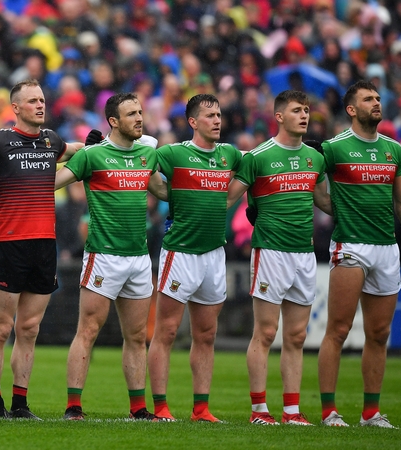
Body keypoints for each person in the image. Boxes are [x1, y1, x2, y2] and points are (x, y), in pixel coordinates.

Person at [0, 79, 83, 419]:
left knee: (29, 329)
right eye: (32, 101)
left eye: (42, 99)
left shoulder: (51, 140)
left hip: (44, 245)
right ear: (16, 108)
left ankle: (20, 404)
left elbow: (75, 150)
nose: (40, 105)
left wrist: (96, 144)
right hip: (10, 243)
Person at [59, 93, 166, 421]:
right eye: (131, 113)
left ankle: (138, 409)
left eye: (140, 111)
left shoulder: (148, 154)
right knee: (87, 330)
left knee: (136, 336)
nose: (139, 118)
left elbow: (162, 191)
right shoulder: (92, 155)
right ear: (113, 122)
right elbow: (54, 181)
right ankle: (73, 406)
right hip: (103, 257)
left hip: (138, 258)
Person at [226, 90, 331, 426]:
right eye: (297, 110)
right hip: (270, 252)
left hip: (304, 253)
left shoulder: (316, 158)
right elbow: (228, 199)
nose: (305, 115)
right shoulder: (257, 157)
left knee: (297, 336)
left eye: (307, 110)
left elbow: (324, 202)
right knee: (266, 333)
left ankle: (292, 411)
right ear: (279, 116)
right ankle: (260, 410)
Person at [317, 80, 401, 428]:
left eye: (377, 97)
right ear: (351, 110)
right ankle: (329, 411)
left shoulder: (393, 149)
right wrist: (331, 206)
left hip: (387, 247)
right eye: (368, 99)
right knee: (338, 330)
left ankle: (371, 413)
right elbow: (309, 179)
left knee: (379, 333)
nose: (376, 102)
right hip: (351, 245)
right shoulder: (334, 148)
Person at [146, 94, 243, 423]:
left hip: (215, 253)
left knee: (206, 334)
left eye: (219, 115)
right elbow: (142, 165)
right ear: (193, 122)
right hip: (180, 253)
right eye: (210, 116)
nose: (217, 120)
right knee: (167, 332)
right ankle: (160, 407)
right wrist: (165, 193)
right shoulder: (173, 153)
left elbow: (252, 167)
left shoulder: (230, 154)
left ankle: (201, 409)